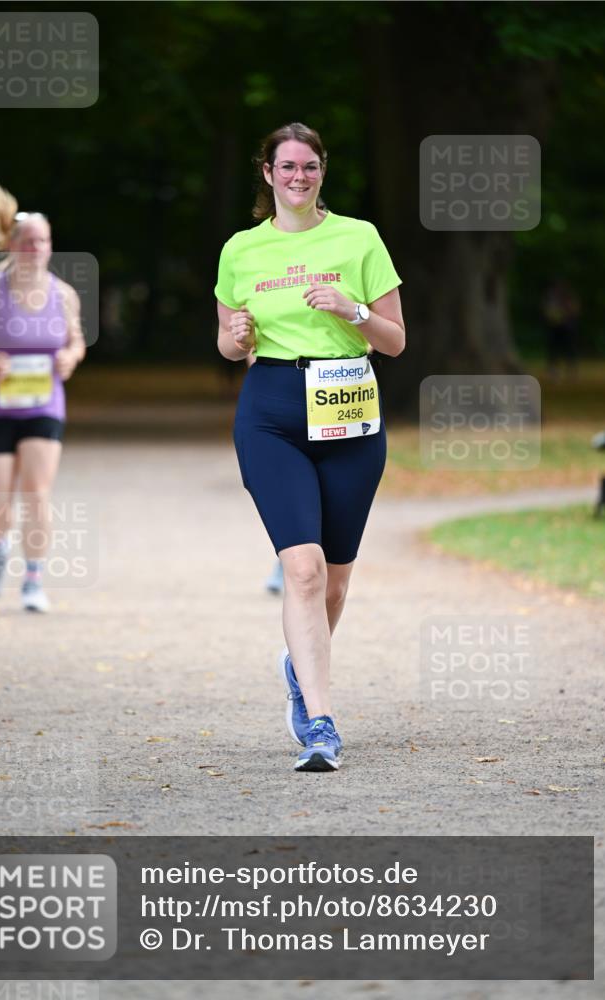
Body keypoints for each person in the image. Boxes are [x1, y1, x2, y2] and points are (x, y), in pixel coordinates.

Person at [215, 123, 405, 772]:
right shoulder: (240, 249)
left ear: (322, 172)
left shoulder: (359, 238)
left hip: (349, 412)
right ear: (266, 174)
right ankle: (319, 725)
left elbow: (394, 341)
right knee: (302, 569)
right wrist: (236, 336)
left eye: (310, 166)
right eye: (286, 166)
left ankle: (299, 668)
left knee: (335, 580)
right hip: (270, 411)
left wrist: (350, 310)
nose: (299, 176)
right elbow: (227, 343)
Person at [0, 184, 86, 612]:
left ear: (50, 246)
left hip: (44, 404)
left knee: (37, 492)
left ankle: (33, 581)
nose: (35, 248)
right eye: (27, 242)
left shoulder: (63, 295)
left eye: (42, 241)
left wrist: (69, 358)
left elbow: (76, 342)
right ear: (11, 245)